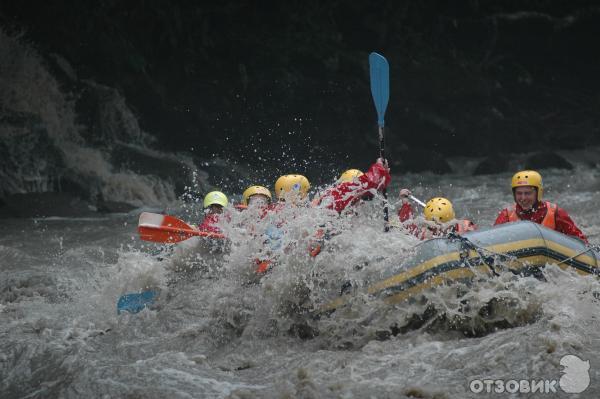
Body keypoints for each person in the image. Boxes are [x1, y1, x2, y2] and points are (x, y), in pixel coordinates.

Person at [494, 170, 588, 243]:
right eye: (519, 193)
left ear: (538, 193)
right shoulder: (506, 215)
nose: (523, 198)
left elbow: (581, 241)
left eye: (527, 193)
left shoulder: (556, 213)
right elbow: (492, 242)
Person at [313, 159, 391, 214]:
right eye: (358, 197)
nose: (360, 202)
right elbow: (370, 181)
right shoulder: (338, 196)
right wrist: (379, 165)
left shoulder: (336, 199)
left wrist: (384, 175)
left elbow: (372, 188)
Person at [398, 190, 476, 239]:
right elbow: (406, 226)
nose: (437, 229)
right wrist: (405, 204)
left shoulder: (466, 227)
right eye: (433, 227)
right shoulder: (426, 233)